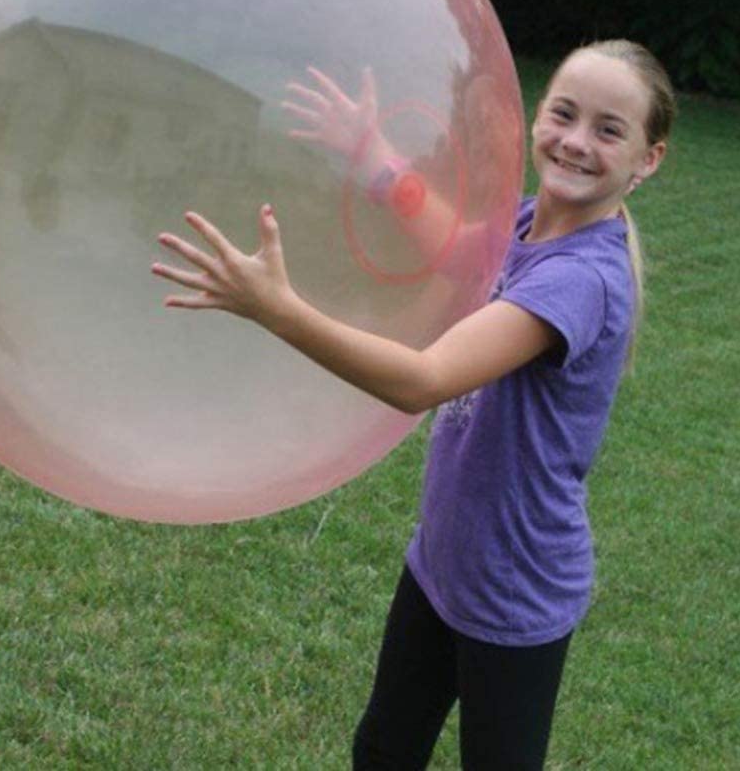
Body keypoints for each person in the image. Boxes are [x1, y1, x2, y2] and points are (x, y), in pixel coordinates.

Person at [151, 39, 675, 769]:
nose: (577, 141)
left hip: (516, 591)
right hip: (441, 563)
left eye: (609, 130)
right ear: (536, 117)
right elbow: (462, 248)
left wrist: (278, 310)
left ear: (648, 158)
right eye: (564, 113)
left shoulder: (583, 280)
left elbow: (424, 379)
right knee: (384, 750)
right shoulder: (530, 223)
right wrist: (374, 157)